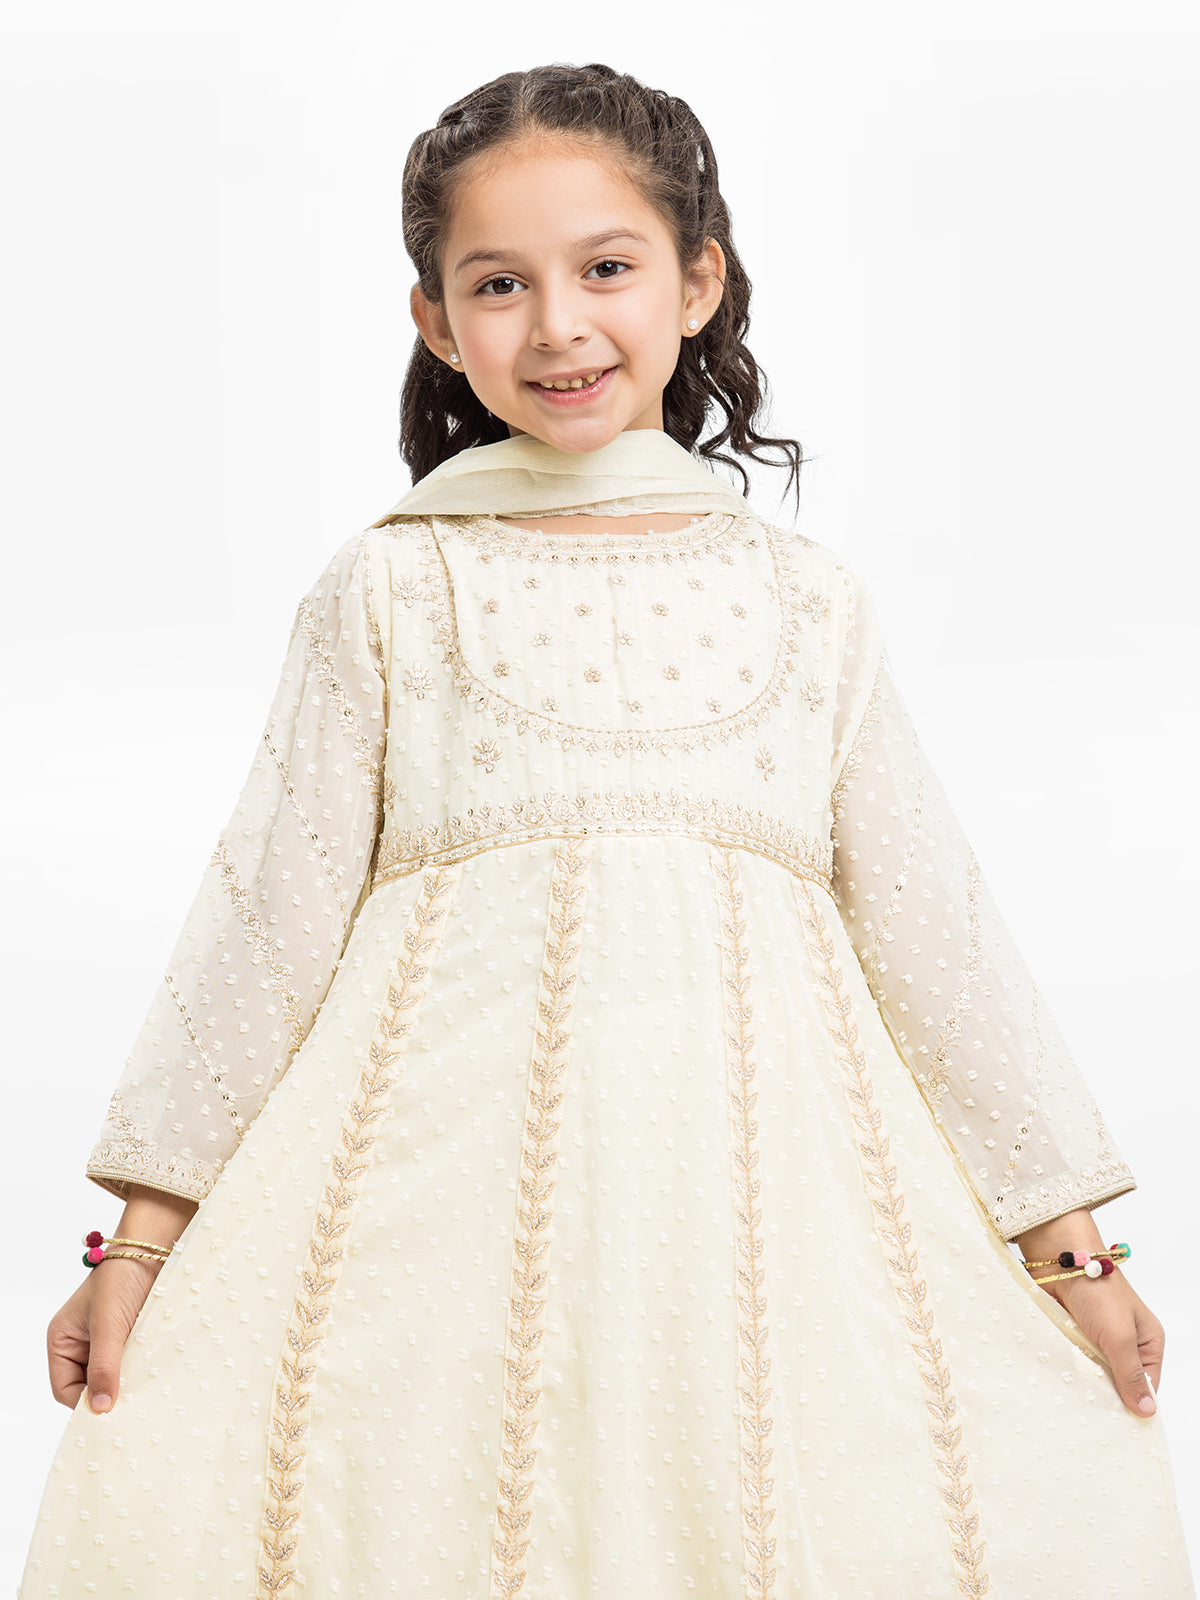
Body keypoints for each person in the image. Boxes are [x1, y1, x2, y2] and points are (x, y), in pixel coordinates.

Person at [21, 61, 1194, 1600]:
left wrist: (1069, 1250)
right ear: (438, 320)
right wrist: (141, 1244)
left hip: (761, 1220)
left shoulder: (805, 600)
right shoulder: (394, 586)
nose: (559, 325)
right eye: (499, 283)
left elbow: (937, 938)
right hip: (436, 1223)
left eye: (607, 268)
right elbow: (264, 923)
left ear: (699, 283)